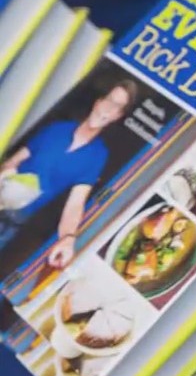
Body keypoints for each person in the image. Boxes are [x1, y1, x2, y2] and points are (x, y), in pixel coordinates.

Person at [0, 81, 138, 268]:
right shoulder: (56, 129)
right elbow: (15, 160)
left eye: (117, 106)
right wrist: (6, 171)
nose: (108, 108)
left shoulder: (97, 155)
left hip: (13, 220)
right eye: (108, 100)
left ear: (118, 116)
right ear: (98, 102)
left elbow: (75, 204)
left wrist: (68, 238)